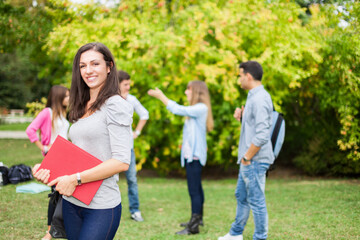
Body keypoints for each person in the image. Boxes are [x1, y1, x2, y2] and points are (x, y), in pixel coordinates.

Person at [33, 42, 133, 240]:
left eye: (95, 64)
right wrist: (48, 169)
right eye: (82, 66)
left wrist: (75, 179)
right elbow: (79, 151)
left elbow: (121, 161)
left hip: (101, 206)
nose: (88, 70)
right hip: (71, 202)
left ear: (109, 66)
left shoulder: (115, 105)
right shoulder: (81, 103)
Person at [148, 80, 213, 235]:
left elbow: (177, 109)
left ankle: (194, 226)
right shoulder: (196, 109)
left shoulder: (200, 108)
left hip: (195, 157)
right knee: (197, 187)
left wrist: (161, 96)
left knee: (194, 190)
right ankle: (198, 218)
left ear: (196, 91)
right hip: (192, 156)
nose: (186, 92)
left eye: (188, 89)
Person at [218, 61, 274, 240]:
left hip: (255, 159)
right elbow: (253, 129)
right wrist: (241, 118)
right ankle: (235, 234)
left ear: (248, 76)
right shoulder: (252, 96)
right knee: (241, 196)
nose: (239, 79)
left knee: (256, 200)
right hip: (249, 158)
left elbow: (263, 134)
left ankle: (260, 237)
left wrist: (247, 157)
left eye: (240, 75)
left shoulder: (260, 98)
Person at [26, 85, 70, 240]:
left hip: (65, 156)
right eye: (66, 96)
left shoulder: (63, 114)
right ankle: (50, 232)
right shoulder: (47, 112)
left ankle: (56, 230)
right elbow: (30, 130)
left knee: (61, 192)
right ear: (58, 97)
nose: (69, 98)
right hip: (54, 156)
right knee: (56, 193)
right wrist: (44, 148)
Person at [117, 70, 148, 222]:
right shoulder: (110, 100)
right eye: (126, 84)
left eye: (129, 84)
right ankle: (108, 210)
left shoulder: (132, 99)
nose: (128, 87)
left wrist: (137, 132)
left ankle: (135, 211)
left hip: (128, 148)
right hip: (111, 149)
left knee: (132, 180)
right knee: (110, 181)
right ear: (117, 84)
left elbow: (145, 114)